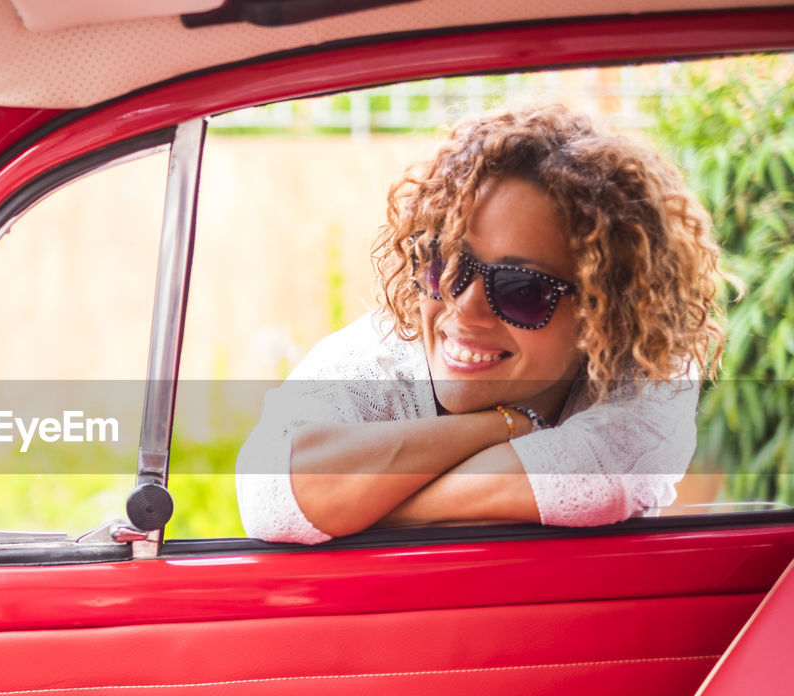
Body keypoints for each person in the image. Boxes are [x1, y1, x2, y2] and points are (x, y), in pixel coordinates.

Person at [236, 104, 726, 544]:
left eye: (523, 289)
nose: (463, 308)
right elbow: (270, 496)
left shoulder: (645, 372)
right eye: (443, 262)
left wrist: (357, 507)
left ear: (605, 311)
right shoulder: (381, 354)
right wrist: (508, 425)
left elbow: (601, 480)